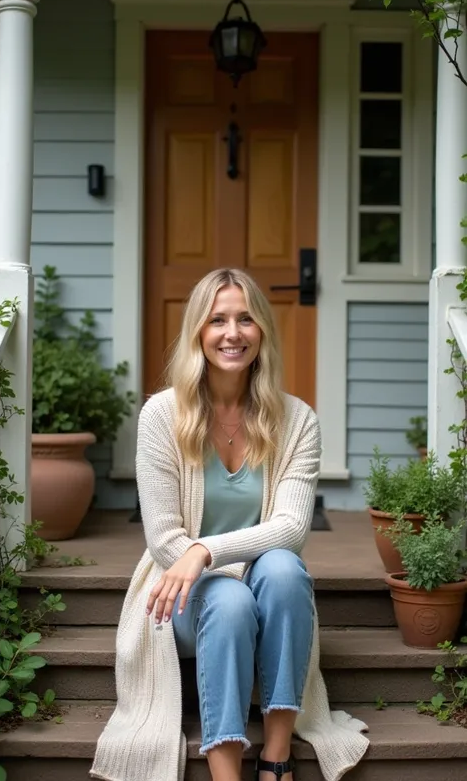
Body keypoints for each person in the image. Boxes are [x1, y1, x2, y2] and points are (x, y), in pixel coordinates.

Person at [90, 269, 369, 781]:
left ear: (262, 331)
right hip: (183, 597)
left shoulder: (297, 419)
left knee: (284, 569)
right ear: (198, 331)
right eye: (218, 320)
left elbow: (290, 528)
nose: (232, 333)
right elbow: (164, 539)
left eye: (245, 319)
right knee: (230, 597)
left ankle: (276, 759)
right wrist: (199, 559)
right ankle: (225, 773)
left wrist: (206, 550)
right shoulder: (160, 416)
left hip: (262, 587)